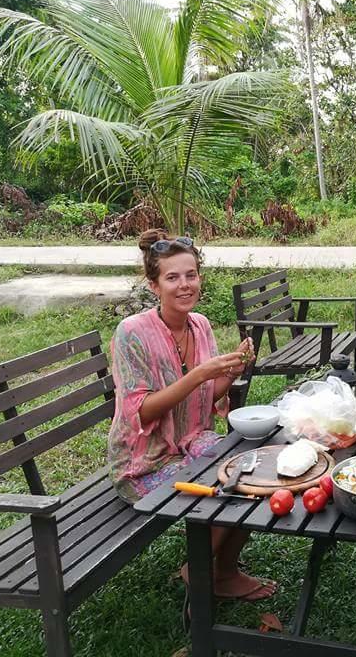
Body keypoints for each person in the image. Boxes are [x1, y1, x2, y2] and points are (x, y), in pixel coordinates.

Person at [107, 228, 276, 601]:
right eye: (172, 278)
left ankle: (222, 571)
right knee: (231, 490)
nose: (185, 286)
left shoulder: (199, 324)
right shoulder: (131, 333)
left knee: (255, 473)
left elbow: (203, 400)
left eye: (191, 275)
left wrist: (228, 372)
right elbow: (141, 412)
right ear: (153, 285)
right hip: (144, 463)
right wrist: (200, 373)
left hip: (191, 443)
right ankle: (200, 569)